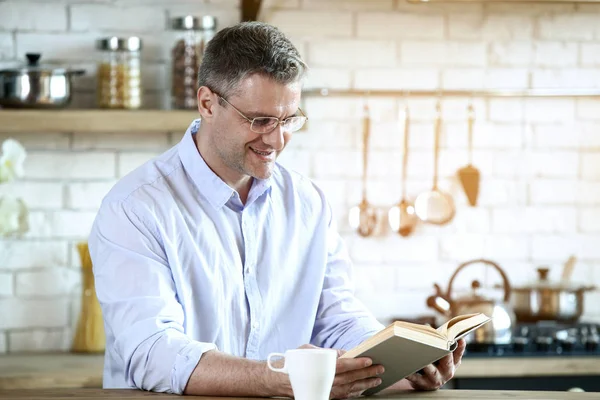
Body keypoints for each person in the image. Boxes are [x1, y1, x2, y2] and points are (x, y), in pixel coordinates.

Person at [88, 21, 466, 398]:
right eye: (260, 120)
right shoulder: (135, 208)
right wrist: (278, 379)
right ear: (207, 103)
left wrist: (400, 361)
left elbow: (335, 318)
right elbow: (152, 353)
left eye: (288, 120)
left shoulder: (307, 202)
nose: (277, 140)